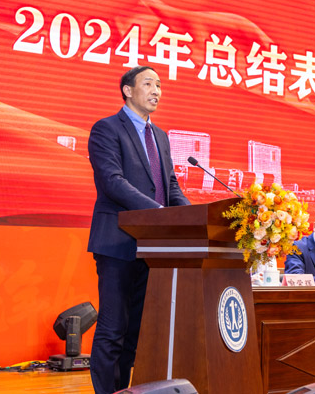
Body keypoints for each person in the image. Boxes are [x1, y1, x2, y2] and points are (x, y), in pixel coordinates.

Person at [87, 66, 191, 394]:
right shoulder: (106, 129)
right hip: (118, 243)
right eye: (148, 83)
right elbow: (112, 182)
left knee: (135, 332)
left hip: (154, 249)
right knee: (113, 329)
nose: (156, 90)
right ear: (128, 90)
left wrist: (192, 216)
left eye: (159, 85)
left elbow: (170, 186)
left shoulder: (160, 136)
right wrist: (158, 214)